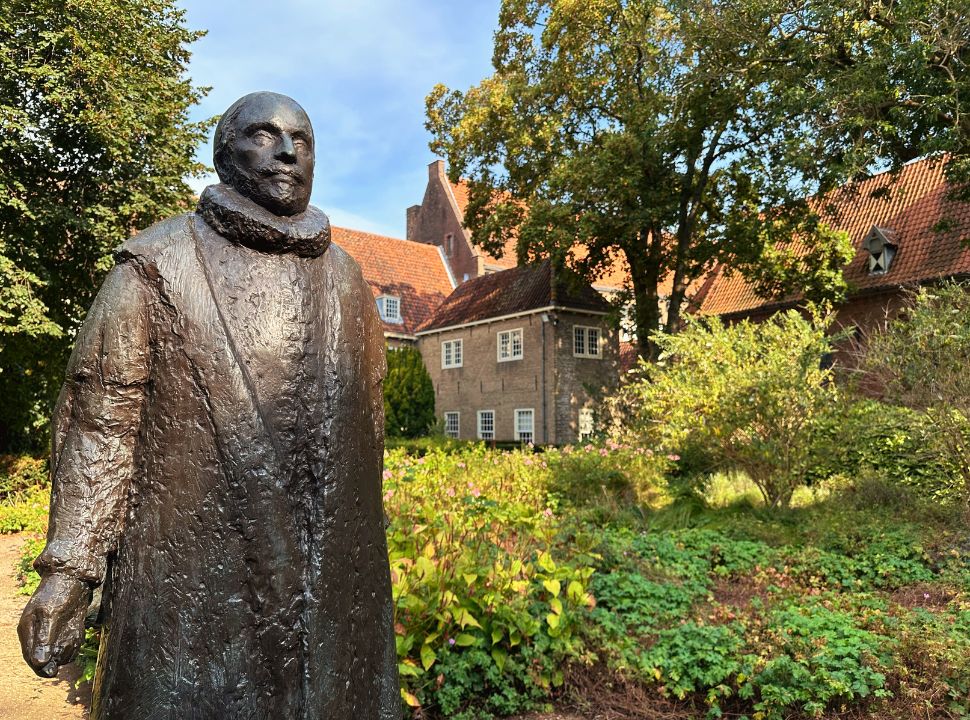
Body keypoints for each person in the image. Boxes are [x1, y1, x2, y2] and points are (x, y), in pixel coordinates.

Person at [18, 91, 401, 720]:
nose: (285, 151)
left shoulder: (349, 281)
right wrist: (70, 569)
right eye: (263, 135)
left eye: (300, 140)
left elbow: (370, 427)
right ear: (224, 154)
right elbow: (99, 420)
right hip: (189, 589)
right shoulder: (154, 266)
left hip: (332, 594)